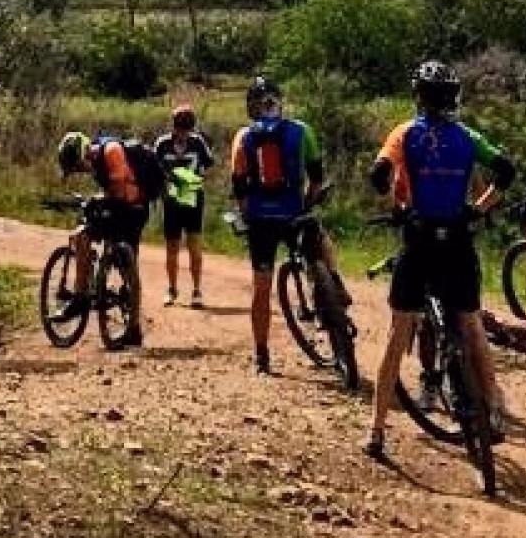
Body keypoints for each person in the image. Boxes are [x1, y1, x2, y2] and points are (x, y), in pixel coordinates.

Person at [365, 59, 517, 460]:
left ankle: (377, 430)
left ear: (418, 96)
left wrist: (396, 203)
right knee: (469, 323)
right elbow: (505, 169)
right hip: (458, 241)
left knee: (398, 335)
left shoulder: (405, 132)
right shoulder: (468, 136)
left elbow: (378, 174)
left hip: (419, 243)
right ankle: (496, 408)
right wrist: (480, 209)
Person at [228, 75, 337, 374]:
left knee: (261, 287)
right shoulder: (302, 131)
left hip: (261, 221)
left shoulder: (243, 137)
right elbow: (316, 179)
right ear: (279, 102)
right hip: (294, 214)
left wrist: (246, 213)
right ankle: (335, 285)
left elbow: (239, 186)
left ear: (251, 107)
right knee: (321, 239)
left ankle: (261, 356)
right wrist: (306, 203)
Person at [56, 128, 152, 348]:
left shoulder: (112, 151)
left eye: (79, 167)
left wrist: (96, 200)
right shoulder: (98, 158)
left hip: (132, 210)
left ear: (85, 153)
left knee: (84, 237)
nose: (80, 172)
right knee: (92, 239)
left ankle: (82, 298)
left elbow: (117, 193)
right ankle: (127, 323)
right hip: (125, 208)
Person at [153, 101, 214, 307]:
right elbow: (154, 169)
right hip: (171, 201)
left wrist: (197, 179)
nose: (183, 133)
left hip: (193, 199)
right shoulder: (162, 144)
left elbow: (209, 165)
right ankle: (171, 289)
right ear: (173, 126)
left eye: (186, 128)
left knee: (194, 246)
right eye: (179, 127)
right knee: (172, 247)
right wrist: (163, 191)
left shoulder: (198, 142)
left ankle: (197, 291)